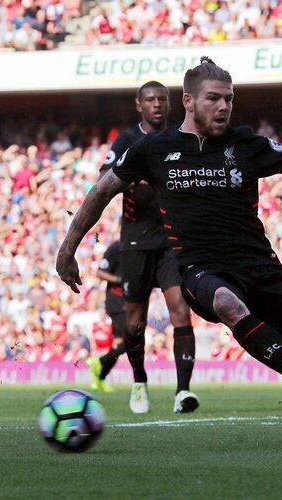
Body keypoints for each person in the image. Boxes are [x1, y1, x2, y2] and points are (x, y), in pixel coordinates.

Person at [57, 57, 282, 444]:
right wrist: (68, 248)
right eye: (214, 98)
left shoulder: (245, 145)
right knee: (229, 304)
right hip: (201, 270)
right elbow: (101, 191)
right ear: (189, 101)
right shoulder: (154, 149)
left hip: (262, 267)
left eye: (229, 98)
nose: (224, 106)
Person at [87, 81, 199, 414]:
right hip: (135, 242)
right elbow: (107, 176)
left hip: (170, 241)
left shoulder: (182, 136)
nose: (157, 105)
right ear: (139, 105)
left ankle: (183, 391)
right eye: (150, 100)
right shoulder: (127, 140)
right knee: (135, 322)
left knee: (181, 309)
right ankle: (139, 381)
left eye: (163, 99)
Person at [87, 240, 124, 394]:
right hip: (117, 302)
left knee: (120, 343)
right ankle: (99, 362)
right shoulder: (115, 247)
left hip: (131, 301)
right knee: (132, 339)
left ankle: (100, 378)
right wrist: (119, 280)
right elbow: (99, 272)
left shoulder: (139, 247)